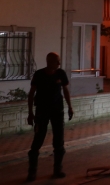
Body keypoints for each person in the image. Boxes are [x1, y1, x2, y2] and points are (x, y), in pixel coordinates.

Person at [26, 52, 73, 181]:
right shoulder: (39, 75)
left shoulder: (60, 74)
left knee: (59, 141)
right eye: (56, 61)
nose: (59, 63)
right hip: (42, 111)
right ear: (49, 62)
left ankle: (58, 169)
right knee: (38, 140)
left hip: (57, 111)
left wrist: (70, 106)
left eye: (59, 61)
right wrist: (30, 113)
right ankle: (32, 172)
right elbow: (31, 94)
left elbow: (66, 90)